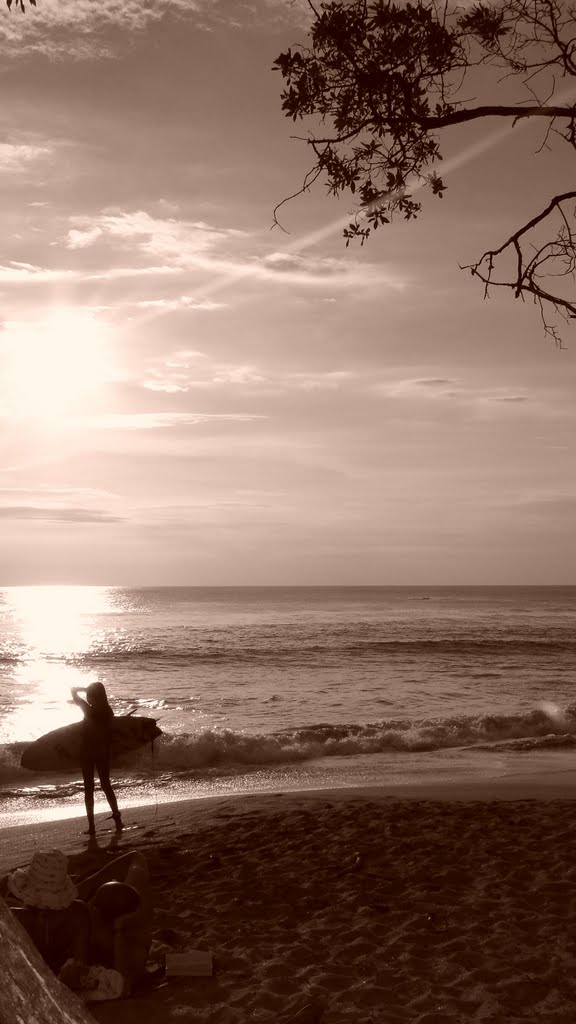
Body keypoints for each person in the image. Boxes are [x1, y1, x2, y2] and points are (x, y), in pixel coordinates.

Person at [71, 682, 123, 835]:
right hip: (103, 752)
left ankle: (92, 827)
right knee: (106, 785)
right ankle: (118, 820)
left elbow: (73, 692)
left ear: (93, 696)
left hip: (87, 753)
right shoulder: (108, 711)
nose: (88, 698)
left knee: (89, 789)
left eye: (90, 695)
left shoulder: (88, 710)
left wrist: (82, 689)